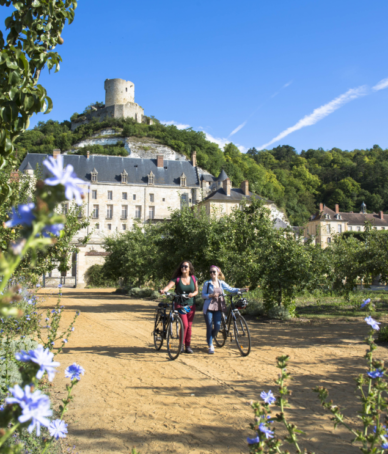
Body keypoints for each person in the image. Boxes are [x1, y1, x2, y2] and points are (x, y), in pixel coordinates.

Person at [202, 266, 248, 354]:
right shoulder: (207, 283)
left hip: (218, 307)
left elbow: (230, 289)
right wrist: (210, 295)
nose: (212, 273)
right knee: (209, 326)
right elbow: (203, 295)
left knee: (217, 326)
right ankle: (210, 345)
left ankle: (209, 338)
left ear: (218, 273)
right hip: (208, 308)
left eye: (214, 272)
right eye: (210, 272)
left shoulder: (221, 283)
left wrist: (241, 289)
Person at [160, 261, 198, 354]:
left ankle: (187, 346)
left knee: (189, 326)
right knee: (184, 325)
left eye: (186, 266)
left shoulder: (193, 278)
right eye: (182, 266)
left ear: (189, 268)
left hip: (191, 305)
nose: (183, 268)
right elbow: (168, 286)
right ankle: (181, 345)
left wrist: (192, 294)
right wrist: (164, 291)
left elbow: (197, 291)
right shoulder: (177, 279)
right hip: (180, 305)